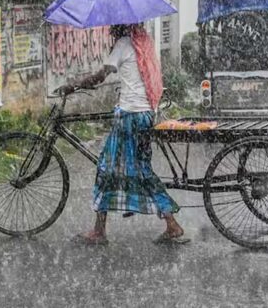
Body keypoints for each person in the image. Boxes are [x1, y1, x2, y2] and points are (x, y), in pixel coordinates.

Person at [62, 24, 186, 245]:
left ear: (120, 28)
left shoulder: (123, 44)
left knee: (107, 168)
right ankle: (169, 222)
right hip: (145, 114)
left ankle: (100, 231)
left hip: (130, 116)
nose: (110, 32)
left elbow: (101, 75)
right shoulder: (143, 43)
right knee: (140, 170)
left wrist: (74, 84)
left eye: (113, 29)